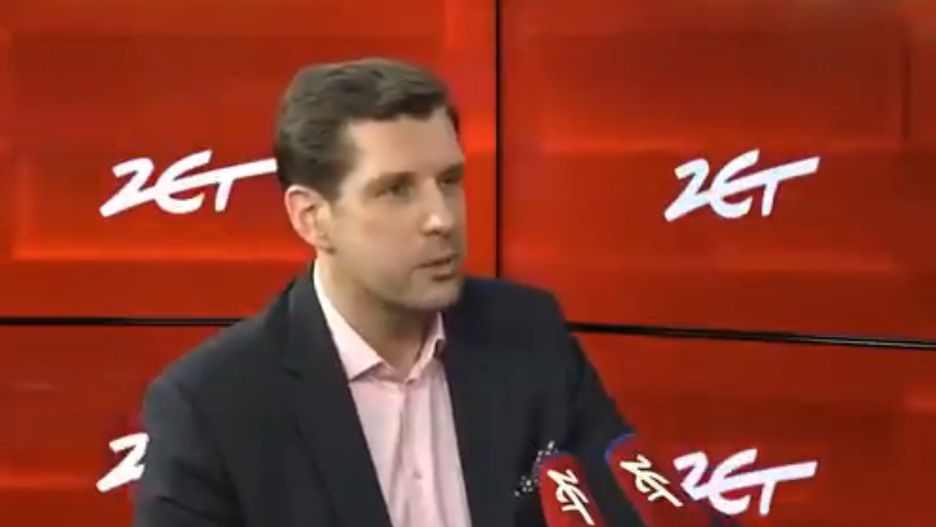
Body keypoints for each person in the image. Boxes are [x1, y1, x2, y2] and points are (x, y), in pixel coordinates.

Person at [133, 57, 644, 527]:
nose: (441, 218)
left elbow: (624, 508)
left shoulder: (531, 336)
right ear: (312, 218)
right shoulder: (212, 406)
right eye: (396, 190)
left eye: (449, 181)